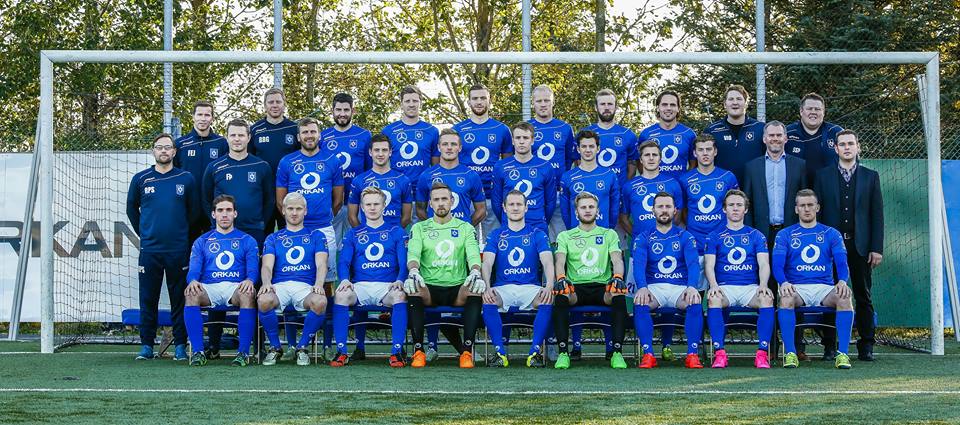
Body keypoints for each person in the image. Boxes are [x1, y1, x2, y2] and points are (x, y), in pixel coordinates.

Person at [126, 133, 198, 361]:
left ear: (174, 152)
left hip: (178, 250)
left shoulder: (186, 178)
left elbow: (194, 212)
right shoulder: (141, 179)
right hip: (150, 251)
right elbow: (131, 209)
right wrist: (146, 233)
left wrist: (182, 236)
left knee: (179, 299)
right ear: (153, 151)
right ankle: (146, 345)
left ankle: (180, 346)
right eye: (159, 147)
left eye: (168, 147)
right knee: (148, 299)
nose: (164, 151)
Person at [814, 129, 884, 361]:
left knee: (863, 296)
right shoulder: (822, 176)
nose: (847, 147)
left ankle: (866, 345)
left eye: (850, 144)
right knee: (829, 294)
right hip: (830, 248)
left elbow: (877, 214)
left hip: (860, 246)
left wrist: (876, 247)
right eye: (842, 144)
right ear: (836, 148)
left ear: (858, 147)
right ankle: (829, 345)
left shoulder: (870, 176)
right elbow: (817, 214)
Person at [403, 182, 485, 368]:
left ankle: (466, 352)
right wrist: (413, 270)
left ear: (452, 201)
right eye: (436, 200)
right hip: (429, 288)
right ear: (430, 203)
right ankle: (418, 351)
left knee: (475, 289)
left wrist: (475, 270)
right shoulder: (419, 228)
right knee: (413, 288)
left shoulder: (465, 227)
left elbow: (473, 255)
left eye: (444, 199)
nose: (440, 203)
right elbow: (413, 255)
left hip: (457, 289)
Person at [774, 189, 855, 369]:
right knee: (785, 298)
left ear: (817, 207)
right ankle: (790, 353)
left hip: (824, 288)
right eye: (802, 205)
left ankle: (842, 354)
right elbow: (777, 266)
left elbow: (842, 263)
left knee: (844, 297)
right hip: (797, 287)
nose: (807, 209)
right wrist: (784, 282)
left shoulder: (831, 234)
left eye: (810, 205)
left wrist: (842, 281)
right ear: (796, 209)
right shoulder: (785, 234)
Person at [620, 140, 685, 360]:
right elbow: (623, 218)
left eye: (654, 155)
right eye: (646, 155)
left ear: (660, 158)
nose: (650, 158)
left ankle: (667, 345)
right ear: (641, 159)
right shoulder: (630, 186)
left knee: (669, 295)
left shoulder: (672, 183)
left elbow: (678, 216)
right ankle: (646, 348)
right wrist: (639, 238)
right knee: (641, 297)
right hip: (640, 252)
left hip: (668, 252)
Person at [332, 187, 410, 368]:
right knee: (341, 295)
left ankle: (396, 352)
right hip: (361, 286)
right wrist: (344, 279)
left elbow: (403, 262)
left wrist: (400, 280)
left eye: (376, 204)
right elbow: (344, 262)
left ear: (384, 206)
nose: (372, 208)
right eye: (368, 204)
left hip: (387, 286)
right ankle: (341, 352)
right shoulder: (353, 233)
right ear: (362, 207)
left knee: (400, 295)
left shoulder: (396, 231)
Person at [551, 192, 628, 369]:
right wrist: (561, 278)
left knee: (618, 294)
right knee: (561, 295)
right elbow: (560, 261)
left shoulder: (609, 234)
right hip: (576, 289)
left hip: (602, 288)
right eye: (583, 207)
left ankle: (617, 353)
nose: (587, 210)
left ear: (597, 211)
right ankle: (563, 353)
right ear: (576, 212)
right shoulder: (565, 236)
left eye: (591, 207)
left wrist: (618, 277)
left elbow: (617, 260)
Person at [480, 190, 555, 368]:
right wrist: (487, 287)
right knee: (488, 300)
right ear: (504, 208)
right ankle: (499, 353)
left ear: (526, 207)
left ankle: (535, 353)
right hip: (503, 288)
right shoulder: (496, 235)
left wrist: (549, 286)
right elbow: (487, 263)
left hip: (530, 288)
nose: (515, 208)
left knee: (547, 299)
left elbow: (547, 261)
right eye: (511, 204)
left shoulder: (537, 234)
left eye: (519, 204)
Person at [183, 195, 259, 367]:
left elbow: (253, 270)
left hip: (235, 287)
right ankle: (198, 352)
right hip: (209, 287)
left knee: (248, 293)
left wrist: (250, 280)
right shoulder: (202, 241)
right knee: (191, 293)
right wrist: (192, 280)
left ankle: (243, 353)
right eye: (220, 210)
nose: (225, 214)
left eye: (229, 210)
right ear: (213, 214)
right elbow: (194, 269)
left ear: (235, 214)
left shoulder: (247, 240)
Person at [631, 192, 704, 369]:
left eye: (668, 207)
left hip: (679, 288)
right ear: (653, 210)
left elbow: (693, 264)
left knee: (695, 301)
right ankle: (648, 354)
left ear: (675, 210)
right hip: (654, 287)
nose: (664, 210)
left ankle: (692, 354)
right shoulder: (643, 237)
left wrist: (692, 286)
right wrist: (642, 287)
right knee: (640, 302)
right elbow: (638, 265)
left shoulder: (685, 236)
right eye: (660, 207)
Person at [703, 190, 774, 369]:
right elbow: (709, 265)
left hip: (750, 287)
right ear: (724, 209)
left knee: (766, 298)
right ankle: (719, 354)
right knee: (714, 298)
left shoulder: (756, 235)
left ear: (746, 209)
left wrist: (763, 285)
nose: (735, 208)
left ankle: (762, 354)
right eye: (731, 205)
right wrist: (713, 285)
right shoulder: (714, 236)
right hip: (725, 287)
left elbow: (764, 264)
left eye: (739, 205)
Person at [257, 193, 329, 366]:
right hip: (280, 286)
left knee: (320, 301)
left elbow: (322, 264)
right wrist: (266, 283)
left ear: (305, 211)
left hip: (305, 287)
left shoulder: (317, 235)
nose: (294, 213)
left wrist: (319, 284)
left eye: (298, 209)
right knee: (263, 300)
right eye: (290, 208)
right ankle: (275, 347)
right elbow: (267, 266)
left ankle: (302, 348)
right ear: (283, 210)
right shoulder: (273, 238)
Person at [276, 117, 344, 280]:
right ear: (298, 137)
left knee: (326, 279)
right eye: (305, 132)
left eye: (313, 131)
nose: (309, 135)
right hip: (295, 230)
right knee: (297, 276)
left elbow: (338, 200)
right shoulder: (287, 162)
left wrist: (324, 216)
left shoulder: (332, 160)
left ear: (319, 135)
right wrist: (294, 221)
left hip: (324, 228)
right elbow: (280, 201)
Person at [450, 83, 513, 240]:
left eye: (483, 98)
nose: (479, 102)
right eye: (475, 98)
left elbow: (507, 165)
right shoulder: (457, 129)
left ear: (489, 101)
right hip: (464, 195)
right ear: (469, 102)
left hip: (493, 196)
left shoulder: (502, 129)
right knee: (464, 241)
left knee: (493, 242)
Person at [201, 118, 275, 248]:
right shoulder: (214, 167)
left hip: (254, 231)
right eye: (233, 135)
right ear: (227, 137)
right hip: (223, 231)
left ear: (249, 137)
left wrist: (261, 223)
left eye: (241, 135)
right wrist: (216, 221)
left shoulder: (262, 166)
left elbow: (269, 200)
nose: (237, 139)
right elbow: (206, 200)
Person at [681, 134, 739, 288]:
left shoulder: (728, 177)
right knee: (695, 293)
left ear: (715, 151)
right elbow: (683, 210)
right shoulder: (685, 179)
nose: (705, 153)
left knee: (721, 292)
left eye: (708, 149)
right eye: (700, 150)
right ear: (695, 153)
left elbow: (736, 209)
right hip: (696, 244)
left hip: (722, 244)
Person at [742, 121, 808, 243]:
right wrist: (750, 232)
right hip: (760, 233)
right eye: (771, 135)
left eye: (779, 135)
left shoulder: (799, 165)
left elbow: (805, 201)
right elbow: (747, 203)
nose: (775, 138)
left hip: (792, 232)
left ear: (785, 138)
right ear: (764, 139)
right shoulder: (751, 167)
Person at [319, 92, 372, 243]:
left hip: (356, 202)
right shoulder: (323, 136)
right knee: (330, 244)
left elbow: (369, 169)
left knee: (357, 243)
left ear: (352, 111)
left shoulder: (364, 135)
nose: (342, 114)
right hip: (331, 203)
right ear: (332, 111)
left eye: (346, 110)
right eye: (338, 110)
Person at [528, 84, 576, 241]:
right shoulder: (527, 128)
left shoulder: (565, 128)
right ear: (532, 103)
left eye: (546, 100)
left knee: (560, 239)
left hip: (558, 192)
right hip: (534, 193)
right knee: (534, 238)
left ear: (553, 102)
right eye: (539, 101)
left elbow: (569, 159)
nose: (543, 104)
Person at [174, 101, 227, 241]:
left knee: (214, 245)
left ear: (212, 118)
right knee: (189, 246)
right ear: (193, 116)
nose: (203, 118)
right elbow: (174, 175)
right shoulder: (180, 144)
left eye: (207, 115)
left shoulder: (221, 143)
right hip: (188, 205)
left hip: (214, 205)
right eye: (199, 114)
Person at [249, 87, 300, 233]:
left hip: (289, 190)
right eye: (271, 102)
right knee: (264, 232)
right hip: (263, 191)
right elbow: (249, 160)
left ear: (284, 104)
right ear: (265, 105)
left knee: (290, 231)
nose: (275, 105)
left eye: (278, 102)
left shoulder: (294, 128)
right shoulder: (255, 130)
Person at [383, 85, 439, 213]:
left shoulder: (432, 131)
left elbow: (436, 167)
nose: (411, 104)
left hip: (423, 194)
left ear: (420, 103)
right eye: (407, 101)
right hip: (396, 192)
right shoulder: (388, 131)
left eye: (415, 101)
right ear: (401, 104)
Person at [492, 121, 556, 234]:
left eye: (525, 138)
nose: (521, 141)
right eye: (518, 138)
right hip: (509, 227)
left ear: (532, 140)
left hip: (538, 227)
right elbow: (496, 203)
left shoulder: (545, 166)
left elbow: (550, 202)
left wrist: (540, 220)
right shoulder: (500, 166)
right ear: (512, 141)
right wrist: (507, 220)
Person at [416, 128, 486, 224]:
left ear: (460, 148)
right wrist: (434, 227)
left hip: (462, 232)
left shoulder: (471, 175)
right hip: (435, 232)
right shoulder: (426, 176)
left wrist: (466, 228)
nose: (449, 147)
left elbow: (481, 210)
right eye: (445, 144)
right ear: (439, 147)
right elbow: (420, 210)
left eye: (453, 144)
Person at [702, 85, 765, 183]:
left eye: (739, 99)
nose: (735, 102)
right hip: (721, 186)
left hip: (753, 186)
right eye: (731, 99)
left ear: (746, 103)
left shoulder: (760, 129)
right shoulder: (712, 130)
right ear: (725, 104)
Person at [349, 134, 413, 228]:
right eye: (376, 150)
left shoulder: (403, 180)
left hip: (394, 235)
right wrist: (363, 233)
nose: (380, 154)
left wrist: (395, 233)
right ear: (370, 152)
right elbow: (352, 217)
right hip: (367, 235)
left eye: (384, 150)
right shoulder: (359, 181)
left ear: (390, 152)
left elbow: (406, 217)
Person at [560, 130, 620, 231]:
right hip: (577, 235)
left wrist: (608, 230)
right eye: (584, 146)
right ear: (578, 149)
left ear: (598, 149)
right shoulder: (567, 177)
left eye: (591, 146)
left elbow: (614, 209)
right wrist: (572, 231)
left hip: (603, 233)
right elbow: (565, 211)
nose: (588, 150)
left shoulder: (609, 175)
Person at [579, 89, 639, 185]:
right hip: (591, 190)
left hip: (619, 191)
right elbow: (578, 162)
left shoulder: (628, 134)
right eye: (602, 104)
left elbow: (632, 165)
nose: (606, 107)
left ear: (616, 107)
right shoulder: (584, 133)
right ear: (596, 107)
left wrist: (623, 187)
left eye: (610, 104)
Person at [637, 90, 697, 180]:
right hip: (654, 186)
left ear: (678, 108)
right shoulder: (646, 134)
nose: (668, 108)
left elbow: (694, 165)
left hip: (680, 187)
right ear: (658, 108)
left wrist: (683, 182)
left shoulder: (689, 134)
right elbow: (640, 164)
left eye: (672, 105)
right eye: (664, 104)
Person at [786, 92, 843, 184]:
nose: (813, 112)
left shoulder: (836, 132)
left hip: (829, 187)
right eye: (809, 109)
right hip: (797, 188)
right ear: (801, 111)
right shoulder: (787, 133)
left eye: (817, 109)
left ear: (823, 112)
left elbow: (851, 157)